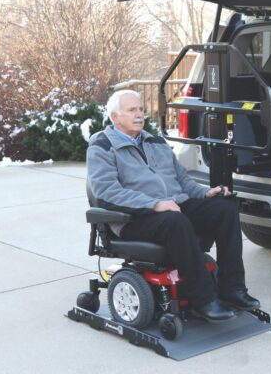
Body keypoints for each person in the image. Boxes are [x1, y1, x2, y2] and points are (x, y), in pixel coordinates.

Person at [86, 89, 260, 322]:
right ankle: (204, 300)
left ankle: (232, 289)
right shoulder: (102, 145)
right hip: (133, 218)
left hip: (172, 207)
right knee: (175, 221)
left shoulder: (154, 140)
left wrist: (206, 193)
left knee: (225, 209)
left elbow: (182, 180)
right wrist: (154, 204)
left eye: (140, 109)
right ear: (115, 117)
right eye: (132, 110)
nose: (140, 115)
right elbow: (106, 192)